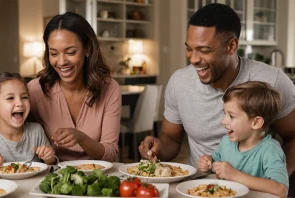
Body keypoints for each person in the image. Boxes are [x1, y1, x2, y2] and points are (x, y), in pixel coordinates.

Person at [139, 3, 295, 177]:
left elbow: (293, 136)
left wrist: (277, 180)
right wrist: (157, 148)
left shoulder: (272, 81)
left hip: (253, 188)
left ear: (231, 46)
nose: (193, 59)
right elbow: (171, 138)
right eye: (189, 49)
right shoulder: (179, 82)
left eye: (204, 50)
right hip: (199, 187)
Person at [27, 12, 121, 162]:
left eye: (70, 52)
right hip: (53, 176)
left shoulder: (109, 88)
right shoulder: (35, 90)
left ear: (87, 49)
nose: (62, 61)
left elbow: (110, 154)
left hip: (98, 175)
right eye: (54, 53)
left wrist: (81, 138)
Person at [197, 81, 288, 197]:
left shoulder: (270, 150)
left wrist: (234, 175)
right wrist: (208, 162)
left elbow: (281, 190)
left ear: (256, 122)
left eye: (231, 116)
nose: (224, 121)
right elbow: (216, 164)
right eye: (224, 114)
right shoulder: (226, 142)